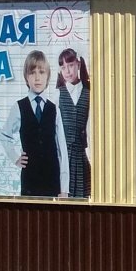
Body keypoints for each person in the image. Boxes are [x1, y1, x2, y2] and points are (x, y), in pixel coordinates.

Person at [14, 51, 62, 198]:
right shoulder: (19, 107)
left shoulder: (54, 109)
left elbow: (62, 150)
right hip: (30, 178)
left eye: (41, 72)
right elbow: (4, 135)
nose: (37, 78)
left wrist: (64, 187)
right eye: (32, 73)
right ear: (26, 77)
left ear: (47, 76)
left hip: (52, 178)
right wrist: (15, 157)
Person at [53, 47, 91, 200]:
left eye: (70, 65)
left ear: (78, 64)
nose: (67, 71)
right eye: (63, 67)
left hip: (81, 155)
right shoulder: (57, 94)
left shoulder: (89, 93)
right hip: (62, 157)